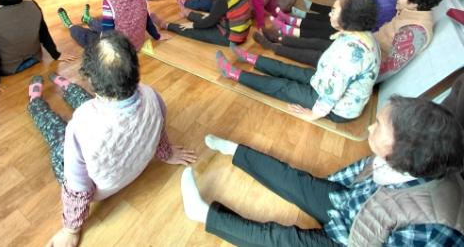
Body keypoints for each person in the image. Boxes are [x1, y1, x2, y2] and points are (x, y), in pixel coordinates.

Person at [180, 97, 464, 246]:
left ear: (403, 149)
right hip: (350, 207)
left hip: (351, 241)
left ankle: (202, 214)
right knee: (296, 180)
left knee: (282, 239)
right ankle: (234, 151)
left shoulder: (435, 229)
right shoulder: (410, 161)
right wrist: (316, 193)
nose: (370, 127)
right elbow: (352, 177)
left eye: (378, 125)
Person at [29, 32, 197, 247]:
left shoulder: (80, 125)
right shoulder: (153, 95)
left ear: (90, 79)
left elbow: (77, 189)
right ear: (135, 68)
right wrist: (167, 153)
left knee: (56, 133)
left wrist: (71, 229)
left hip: (101, 189)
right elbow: (159, 129)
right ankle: (67, 87)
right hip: (127, 162)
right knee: (90, 105)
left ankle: (35, 102)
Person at [217, 0, 380, 123]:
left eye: (334, 11)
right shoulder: (361, 34)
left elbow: (332, 93)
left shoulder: (350, 54)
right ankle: (250, 58)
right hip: (324, 80)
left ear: (349, 18)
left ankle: (232, 73)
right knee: (288, 70)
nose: (329, 14)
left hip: (337, 108)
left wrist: (313, 114)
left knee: (282, 86)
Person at [258, 0, 445, 81]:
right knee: (319, 42)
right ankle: (280, 39)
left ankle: (273, 47)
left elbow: (389, 68)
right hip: (363, 44)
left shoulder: (415, 31)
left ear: (416, 3)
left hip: (361, 64)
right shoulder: (410, 12)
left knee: (317, 54)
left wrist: (357, 77)